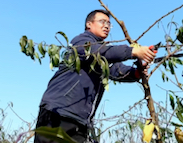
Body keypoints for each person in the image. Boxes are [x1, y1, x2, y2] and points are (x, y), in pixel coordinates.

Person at [34, 9, 156, 143]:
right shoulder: (81, 42)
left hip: (80, 121)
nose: (107, 26)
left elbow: (116, 70)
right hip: (58, 113)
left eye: (109, 24)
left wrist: (137, 72)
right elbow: (102, 52)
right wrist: (134, 51)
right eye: (102, 22)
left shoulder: (102, 55)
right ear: (89, 24)